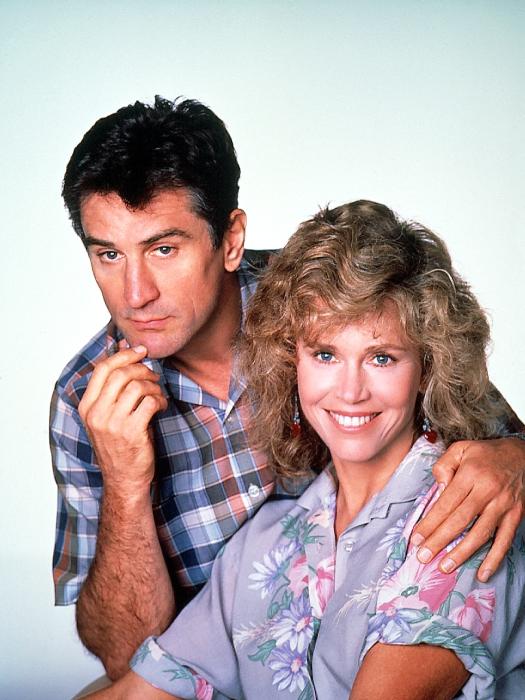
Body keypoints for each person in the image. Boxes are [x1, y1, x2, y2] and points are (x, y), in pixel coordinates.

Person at [51, 96, 525, 680]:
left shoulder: (328, 296)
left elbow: (492, 431)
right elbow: (129, 660)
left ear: (231, 239)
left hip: (381, 635)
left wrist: (515, 459)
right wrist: (126, 484)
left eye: (163, 249)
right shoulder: (83, 398)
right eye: (108, 255)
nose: (135, 294)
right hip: (215, 667)